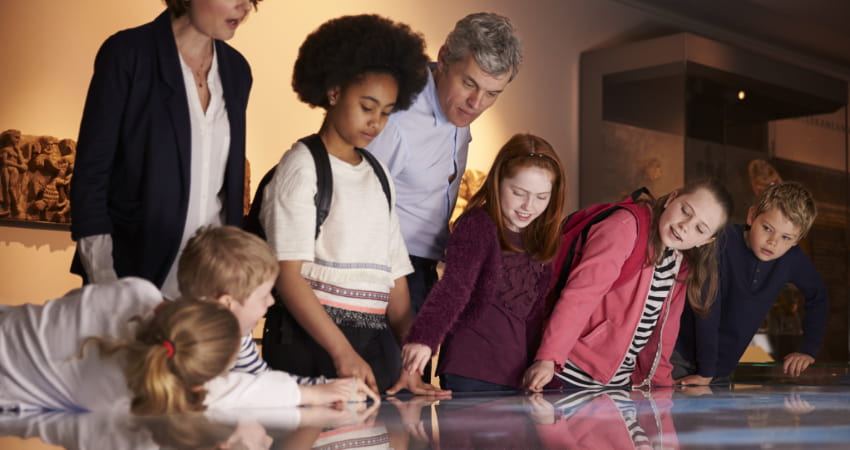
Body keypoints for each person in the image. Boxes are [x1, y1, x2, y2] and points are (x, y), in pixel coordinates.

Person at [258, 14, 444, 396]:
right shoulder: (302, 166)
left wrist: (410, 361)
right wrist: (341, 353)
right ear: (333, 91)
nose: (376, 122)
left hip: (372, 346)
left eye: (387, 112)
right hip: (309, 344)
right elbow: (287, 275)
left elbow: (394, 278)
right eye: (367, 106)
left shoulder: (379, 174)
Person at [69, 0, 261, 299]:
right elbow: (91, 175)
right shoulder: (128, 53)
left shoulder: (238, 71)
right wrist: (105, 279)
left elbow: (225, 188)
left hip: (208, 284)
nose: (245, 6)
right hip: (130, 275)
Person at [0, 278, 378, 414]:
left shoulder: (137, 290)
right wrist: (311, 393)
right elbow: (225, 392)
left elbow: (224, 388)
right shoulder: (125, 393)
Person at [366, 12, 523, 315]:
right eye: (469, 83)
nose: (476, 103)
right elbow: (351, 208)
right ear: (444, 57)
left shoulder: (458, 110)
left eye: (492, 94)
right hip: (382, 272)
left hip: (425, 270)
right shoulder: (396, 117)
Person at [523, 179, 733, 391]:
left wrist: (661, 390)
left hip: (618, 384)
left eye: (700, 228)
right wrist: (549, 357)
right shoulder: (624, 227)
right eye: (685, 211)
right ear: (672, 199)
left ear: (706, 241)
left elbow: (664, 334)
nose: (684, 226)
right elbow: (580, 295)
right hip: (568, 372)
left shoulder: (681, 261)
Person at [393, 134, 566, 392]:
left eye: (542, 197)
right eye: (518, 193)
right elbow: (454, 287)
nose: (528, 206)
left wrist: (544, 369)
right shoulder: (478, 224)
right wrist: (424, 339)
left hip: (517, 374)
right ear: (498, 184)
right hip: (471, 369)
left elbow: (534, 314)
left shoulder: (540, 240)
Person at [673, 181, 829, 385]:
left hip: (722, 369)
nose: (773, 242)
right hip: (679, 357)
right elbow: (707, 310)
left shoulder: (792, 258)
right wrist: (705, 373)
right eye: (767, 228)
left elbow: (819, 296)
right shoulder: (721, 242)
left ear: (797, 239)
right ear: (752, 216)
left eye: (786, 237)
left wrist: (808, 350)